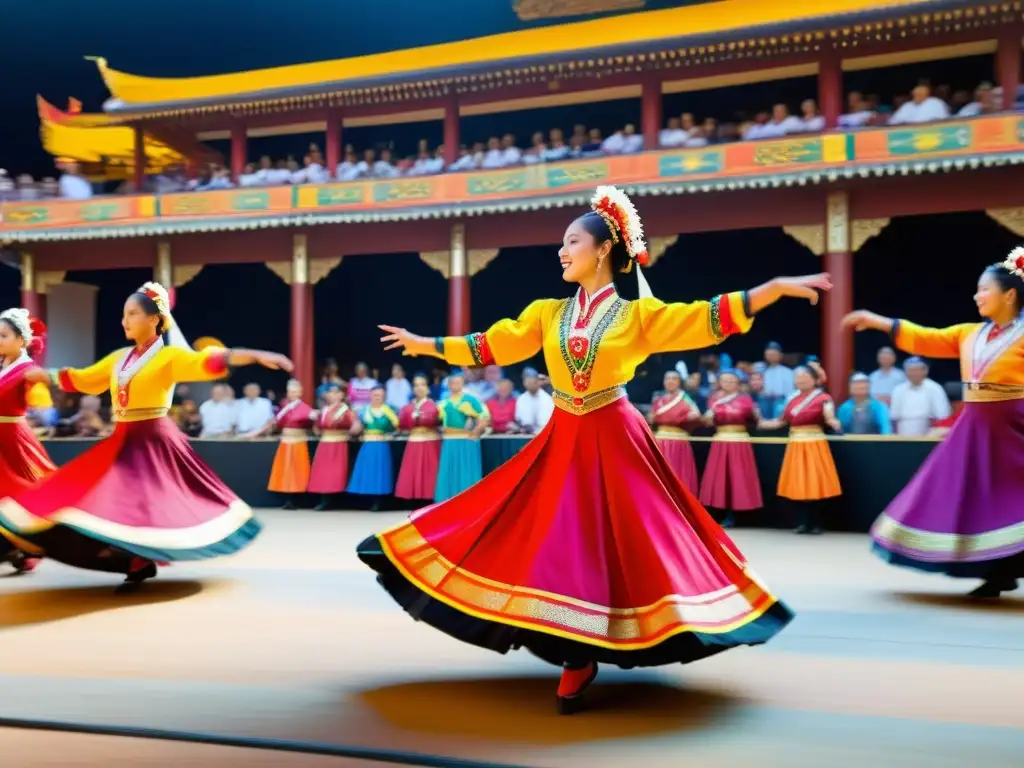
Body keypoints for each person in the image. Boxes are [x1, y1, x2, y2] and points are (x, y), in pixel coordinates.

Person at [366, 185, 830, 714]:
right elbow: (494, 344)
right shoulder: (546, 313)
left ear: (603, 249)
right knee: (550, 538)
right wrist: (426, 344)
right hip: (564, 436)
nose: (561, 253)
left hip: (615, 435)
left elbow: (702, 318)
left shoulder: (637, 315)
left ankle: (594, 647)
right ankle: (575, 651)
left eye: (571, 242)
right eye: (561, 245)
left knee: (624, 543)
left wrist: (768, 289)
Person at [0, 282, 291, 586]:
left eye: (133, 313)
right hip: (123, 439)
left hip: (154, 440)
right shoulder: (119, 358)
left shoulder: (168, 358)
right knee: (99, 497)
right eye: (124, 314)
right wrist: (48, 375)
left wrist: (254, 355)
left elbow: (207, 362)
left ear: (154, 319)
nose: (125, 321)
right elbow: (87, 379)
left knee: (146, 502)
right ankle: (132, 558)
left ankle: (140, 557)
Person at [843, 250, 1024, 598]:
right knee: (977, 502)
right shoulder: (969, 334)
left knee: (1013, 501)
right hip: (974, 434)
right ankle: (998, 572)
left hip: (1013, 434)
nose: (977, 295)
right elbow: (927, 338)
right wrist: (879, 322)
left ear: (1009, 294)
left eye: (983, 289)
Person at [0, 309, 54, 574]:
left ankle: (29, 547)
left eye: (3, 335)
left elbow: (39, 394)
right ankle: (14, 546)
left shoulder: (27, 369)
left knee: (23, 495)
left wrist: (40, 390)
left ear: (22, 340)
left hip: (13, 439)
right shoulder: (4, 368)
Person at [760, 365, 843, 534]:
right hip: (796, 444)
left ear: (814, 380)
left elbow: (829, 416)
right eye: (798, 379)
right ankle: (802, 522)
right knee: (798, 482)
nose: (801, 381)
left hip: (814, 444)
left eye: (805, 378)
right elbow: (781, 421)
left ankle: (816, 523)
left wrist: (834, 422)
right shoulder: (792, 400)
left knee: (815, 483)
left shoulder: (823, 398)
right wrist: (761, 422)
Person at [698, 369, 763, 528]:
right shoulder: (714, 399)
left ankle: (736, 515)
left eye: (732, 380)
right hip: (721, 440)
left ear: (738, 383)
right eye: (725, 380)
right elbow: (707, 422)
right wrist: (706, 419)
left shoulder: (746, 399)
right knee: (720, 478)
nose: (729, 383)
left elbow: (756, 419)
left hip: (739, 440)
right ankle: (718, 513)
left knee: (737, 478)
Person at [434, 372, 489, 503]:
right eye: (453, 383)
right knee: (449, 470)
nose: (456, 385)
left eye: (459, 382)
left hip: (466, 441)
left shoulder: (470, 400)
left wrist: (476, 431)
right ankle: (447, 500)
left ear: (463, 384)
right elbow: (435, 419)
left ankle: (469, 500)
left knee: (466, 471)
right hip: (449, 441)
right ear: (448, 385)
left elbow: (484, 417)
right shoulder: (443, 403)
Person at [648, 370, 701, 493]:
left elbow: (696, 415)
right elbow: (651, 418)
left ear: (680, 382)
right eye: (668, 378)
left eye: (674, 378)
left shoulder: (685, 398)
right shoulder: (658, 400)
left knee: (678, 475)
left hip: (678, 441)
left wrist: (677, 418)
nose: (670, 381)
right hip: (659, 441)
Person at [347, 386, 398, 510]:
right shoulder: (364, 410)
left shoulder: (389, 411)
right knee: (367, 471)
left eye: (380, 395)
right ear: (370, 396)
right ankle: (366, 500)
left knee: (380, 472)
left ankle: (379, 501)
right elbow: (357, 427)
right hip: (368, 444)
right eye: (375, 395)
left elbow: (397, 425)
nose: (377, 397)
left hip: (381, 444)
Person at [268, 379, 315, 510]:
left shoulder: (305, 408)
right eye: (290, 392)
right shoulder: (284, 406)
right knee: (285, 469)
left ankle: (295, 498)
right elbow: (278, 422)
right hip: (285, 441)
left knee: (297, 469)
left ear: (300, 392)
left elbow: (310, 422)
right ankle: (287, 498)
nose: (292, 394)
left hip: (298, 442)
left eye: (295, 391)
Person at [394, 375, 442, 502]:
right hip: (414, 441)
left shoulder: (434, 405)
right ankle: (414, 498)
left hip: (430, 442)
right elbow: (402, 424)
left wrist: (420, 417)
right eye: (416, 385)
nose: (419, 388)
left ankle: (430, 498)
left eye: (422, 385)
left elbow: (433, 419)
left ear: (428, 388)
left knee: (430, 470)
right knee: (413, 470)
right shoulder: (407, 407)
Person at [307, 383, 354, 511]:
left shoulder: (346, 411)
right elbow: (317, 428)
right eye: (330, 393)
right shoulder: (324, 410)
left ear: (341, 395)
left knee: (336, 472)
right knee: (323, 472)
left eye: (335, 392)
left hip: (338, 443)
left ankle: (335, 500)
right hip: (325, 443)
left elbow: (353, 426)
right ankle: (324, 499)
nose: (332, 395)